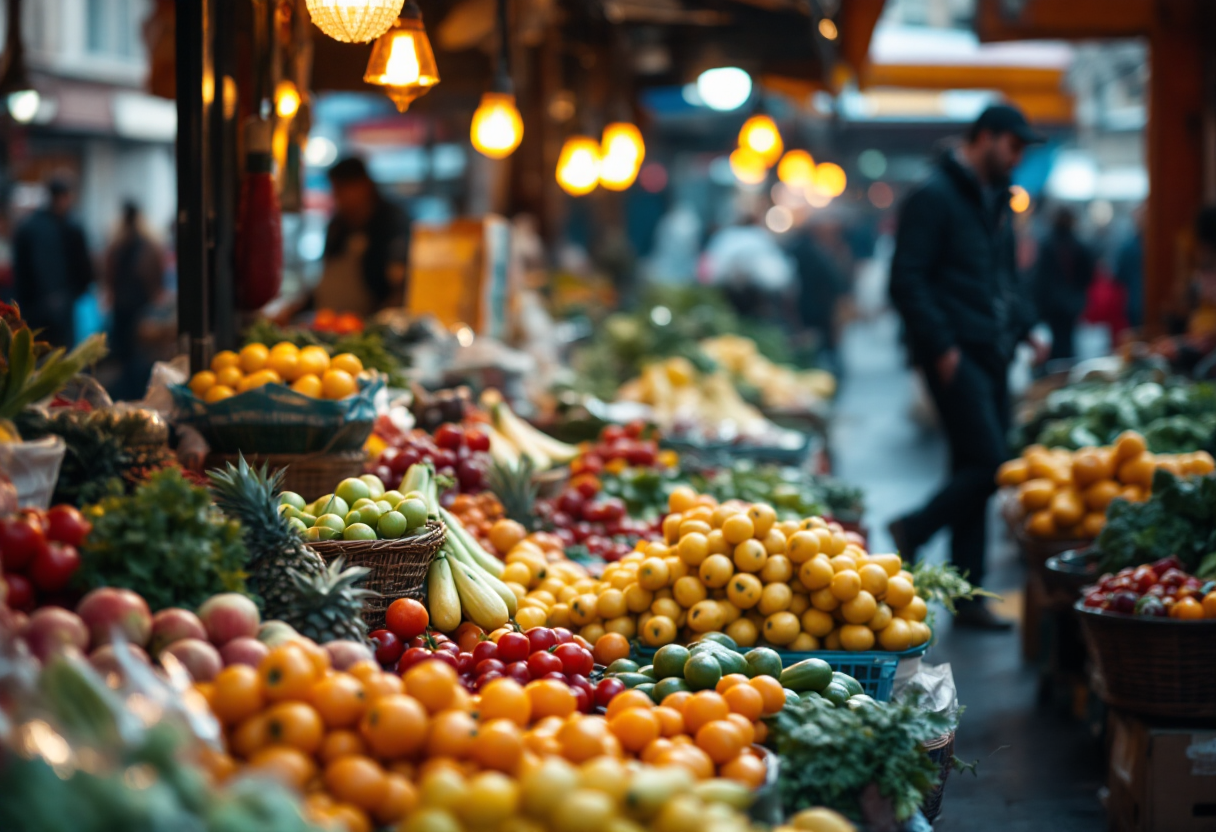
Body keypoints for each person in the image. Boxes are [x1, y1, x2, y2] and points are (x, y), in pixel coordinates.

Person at [887, 104, 1045, 630]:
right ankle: (915, 527)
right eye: (1014, 147)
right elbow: (906, 279)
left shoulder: (996, 200)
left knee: (971, 468)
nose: (1018, 159)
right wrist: (942, 346)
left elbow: (1004, 279)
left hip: (992, 349)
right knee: (991, 463)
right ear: (986, 138)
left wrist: (1028, 328)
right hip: (956, 352)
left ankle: (967, 595)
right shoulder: (934, 196)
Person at [315, 158, 411, 316]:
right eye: (335, 190)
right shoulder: (337, 225)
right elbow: (326, 277)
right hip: (329, 322)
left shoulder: (390, 222)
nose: (337, 197)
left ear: (364, 185)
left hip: (368, 326)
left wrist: (378, 323)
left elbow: (399, 284)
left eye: (342, 189)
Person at [12, 176, 94, 347]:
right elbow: (84, 269)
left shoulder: (27, 227)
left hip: (34, 308)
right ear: (64, 197)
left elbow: (20, 272)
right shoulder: (71, 226)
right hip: (62, 307)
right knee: (61, 359)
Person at [101, 201, 165, 400]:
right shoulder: (145, 244)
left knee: (131, 353)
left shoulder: (121, 244)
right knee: (132, 354)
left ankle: (131, 394)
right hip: (134, 305)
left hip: (129, 306)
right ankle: (132, 394)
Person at [1033, 207, 1096, 360]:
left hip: (1053, 304)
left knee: (1056, 342)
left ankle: (1057, 372)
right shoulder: (1079, 245)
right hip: (1071, 303)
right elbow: (1087, 275)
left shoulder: (1047, 244)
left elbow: (1041, 278)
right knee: (1067, 341)